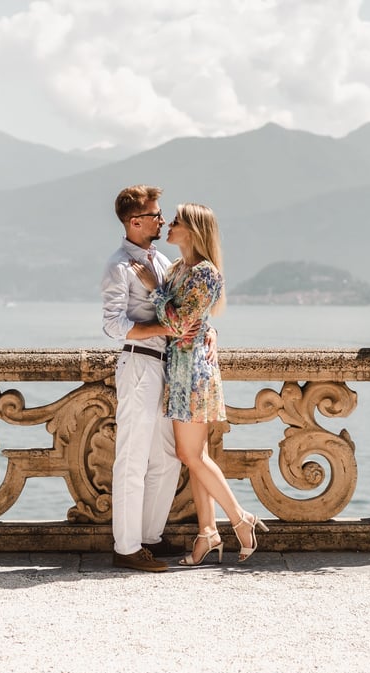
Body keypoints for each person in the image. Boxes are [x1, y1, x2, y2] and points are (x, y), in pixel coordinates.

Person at [131, 202, 267, 566]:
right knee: (194, 457)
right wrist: (207, 329)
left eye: (175, 221)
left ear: (192, 229)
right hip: (178, 371)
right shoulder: (177, 269)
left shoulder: (206, 274)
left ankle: (240, 519)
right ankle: (207, 533)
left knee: (190, 455)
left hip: (192, 374)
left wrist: (154, 289)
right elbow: (188, 323)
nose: (168, 226)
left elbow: (179, 323)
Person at [101, 185, 192, 573]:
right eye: (155, 215)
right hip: (138, 364)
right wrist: (163, 329)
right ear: (135, 222)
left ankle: (149, 538)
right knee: (132, 458)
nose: (161, 219)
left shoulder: (163, 261)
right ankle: (126, 547)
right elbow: (112, 325)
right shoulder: (119, 266)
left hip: (163, 365)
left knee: (168, 457)